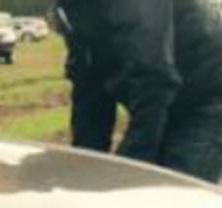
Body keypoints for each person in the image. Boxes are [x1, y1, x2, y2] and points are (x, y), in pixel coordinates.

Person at [57, 0, 222, 183]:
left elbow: (153, 77)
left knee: (173, 197)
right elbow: (89, 83)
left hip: (205, 97)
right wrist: (84, 170)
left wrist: (128, 168)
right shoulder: (72, 7)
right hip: (162, 93)